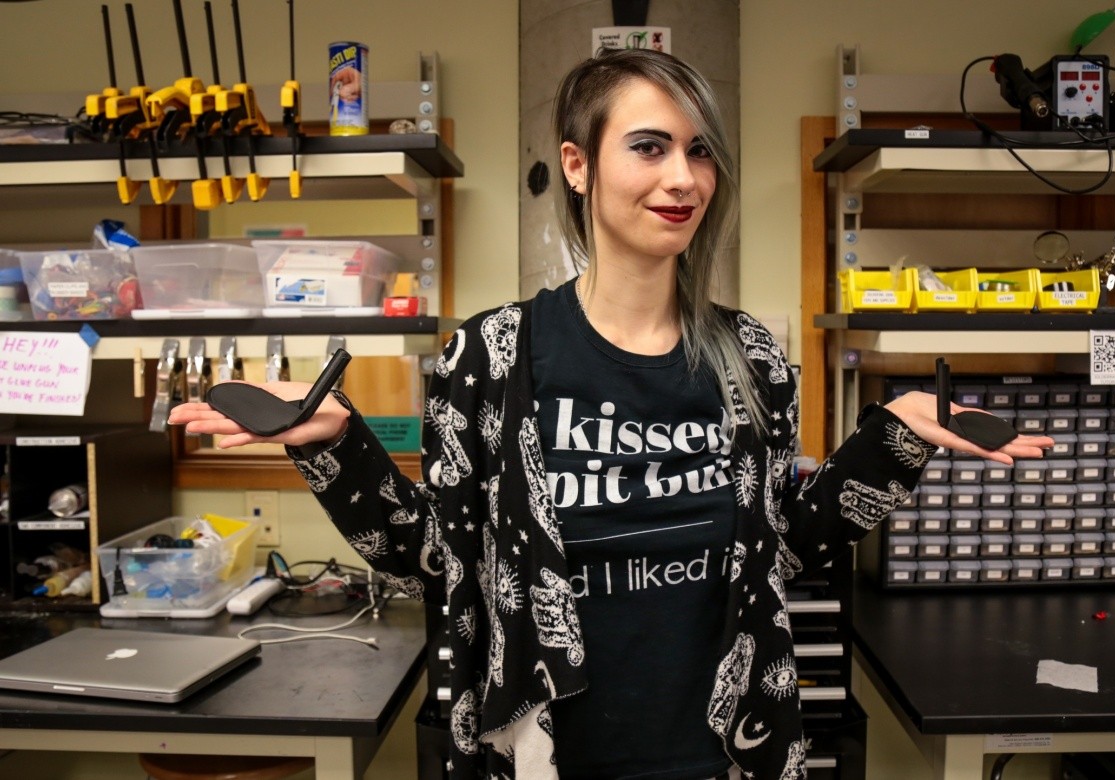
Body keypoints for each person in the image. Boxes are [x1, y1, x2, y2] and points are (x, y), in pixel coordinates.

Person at [169, 47, 1053, 780]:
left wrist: (891, 441)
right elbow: (433, 557)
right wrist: (336, 446)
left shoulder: (751, 360)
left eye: (701, 151)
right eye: (650, 147)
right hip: (549, 756)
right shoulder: (491, 359)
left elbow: (787, 549)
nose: (683, 178)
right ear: (578, 165)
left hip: (726, 751)